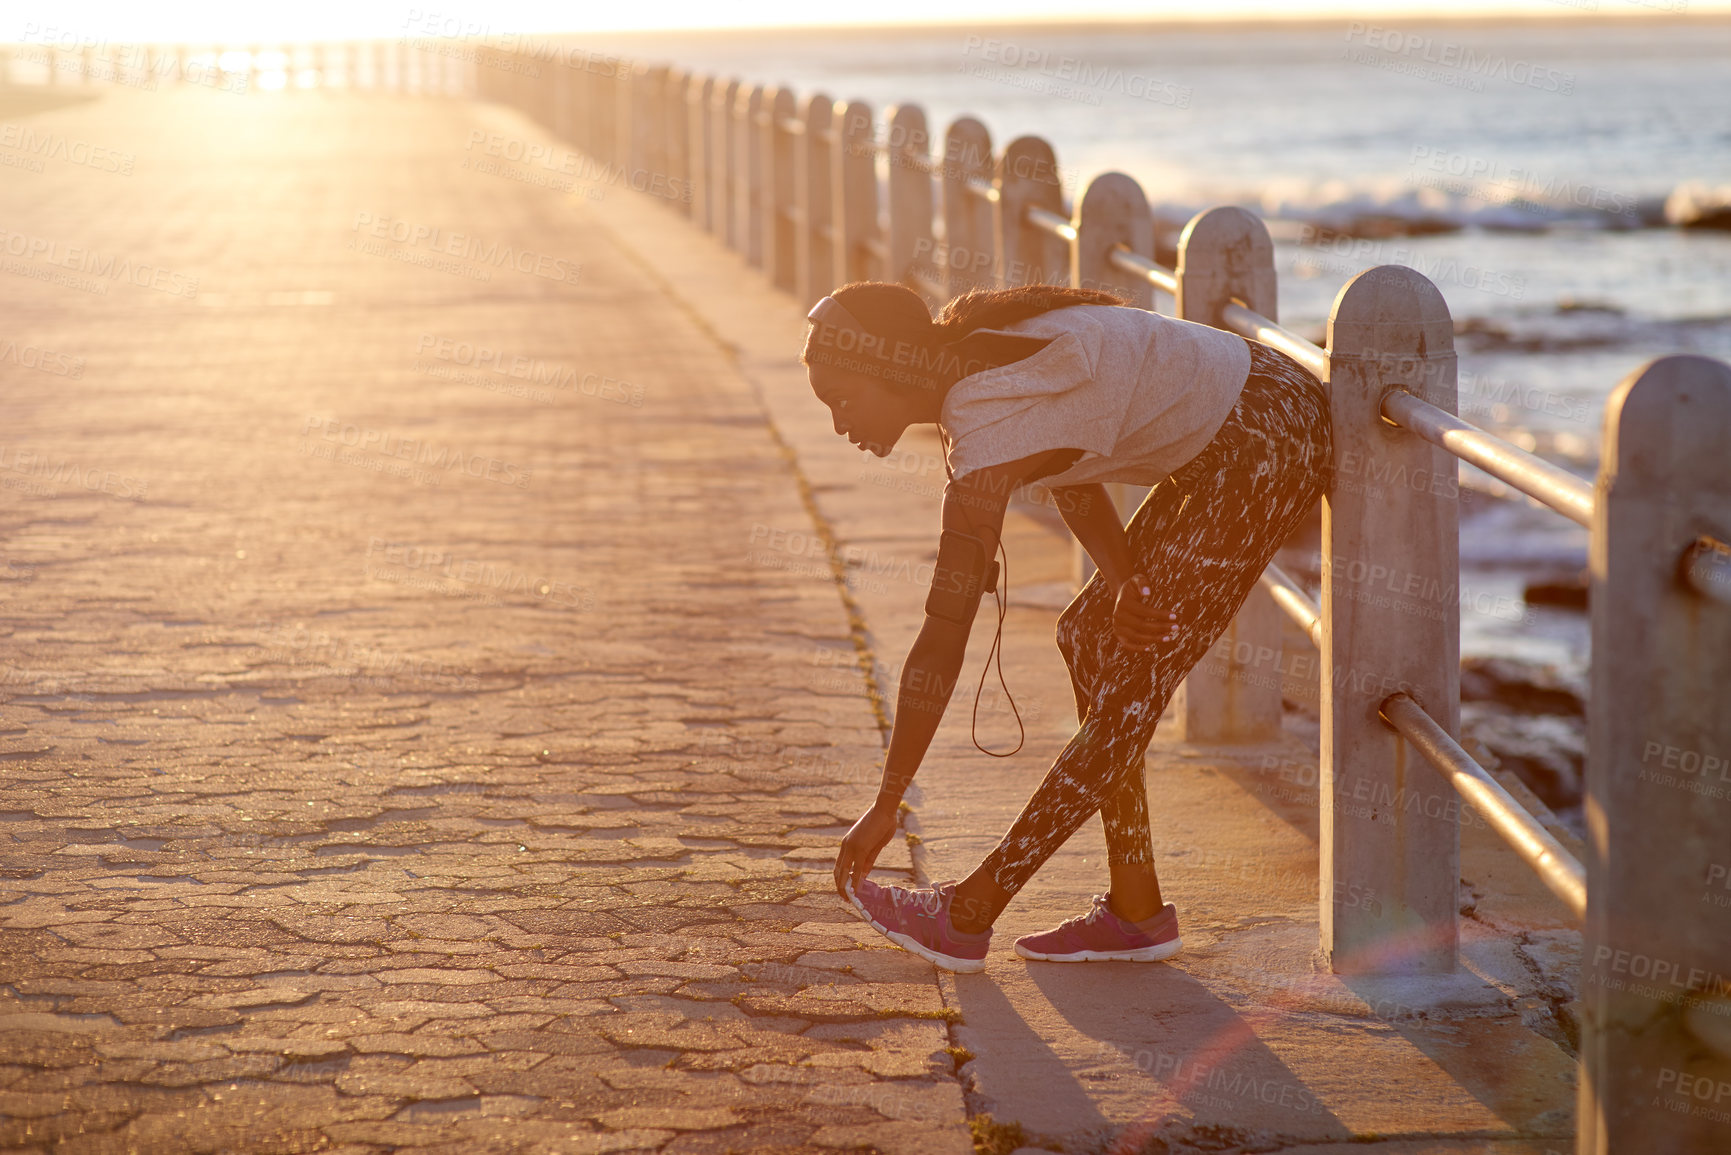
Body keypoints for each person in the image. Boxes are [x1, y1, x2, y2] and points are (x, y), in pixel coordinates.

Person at [802, 281, 1331, 973]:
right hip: (1234, 427)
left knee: (1133, 683)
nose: (839, 423)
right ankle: (1136, 908)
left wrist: (886, 801)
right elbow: (1070, 461)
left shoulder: (983, 428)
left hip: (1268, 440)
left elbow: (942, 636)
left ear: (892, 366)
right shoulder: (970, 357)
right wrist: (1121, 578)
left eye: (844, 398)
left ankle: (967, 913)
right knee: (1088, 635)